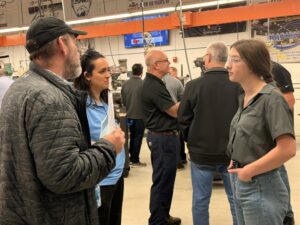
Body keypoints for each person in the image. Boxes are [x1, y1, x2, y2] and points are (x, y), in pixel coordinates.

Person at [0, 17, 125, 225]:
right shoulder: (49, 99)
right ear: (61, 44)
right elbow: (64, 174)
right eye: (75, 42)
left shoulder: (18, 89)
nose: (78, 50)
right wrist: (108, 148)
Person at [226, 39, 296, 225]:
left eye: (235, 60)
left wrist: (249, 170)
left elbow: (287, 149)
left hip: (260, 184)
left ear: (252, 64)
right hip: (242, 182)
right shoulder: (245, 98)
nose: (227, 65)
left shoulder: (272, 98)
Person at [178, 42, 239, 225]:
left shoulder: (192, 86)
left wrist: (192, 141)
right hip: (232, 154)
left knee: (200, 201)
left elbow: (183, 119)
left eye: (205, 56)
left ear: (209, 58)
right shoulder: (238, 85)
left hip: (201, 154)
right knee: (236, 200)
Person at [74, 49, 125, 225]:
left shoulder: (106, 103)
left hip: (116, 175)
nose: (108, 75)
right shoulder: (81, 108)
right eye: (102, 71)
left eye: (108, 70)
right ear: (87, 75)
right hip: (100, 180)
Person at [141, 50, 181, 225]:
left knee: (166, 180)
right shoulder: (153, 86)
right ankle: (157, 220)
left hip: (164, 138)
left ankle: (163, 215)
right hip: (163, 139)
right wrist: (191, 95)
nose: (169, 63)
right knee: (162, 181)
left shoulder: (157, 83)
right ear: (156, 64)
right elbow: (173, 111)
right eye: (166, 61)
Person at [271, 61, 296, 225]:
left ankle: (287, 214)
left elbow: (289, 100)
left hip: (275, 130)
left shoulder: (277, 69)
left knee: (278, 169)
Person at [121, 63, 146, 167]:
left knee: (131, 136)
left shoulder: (125, 84)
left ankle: (130, 157)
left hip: (129, 116)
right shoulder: (144, 84)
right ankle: (135, 159)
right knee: (138, 137)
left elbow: (123, 101)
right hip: (140, 116)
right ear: (141, 72)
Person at [162, 68, 186, 169]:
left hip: (162, 116)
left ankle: (168, 160)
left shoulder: (158, 83)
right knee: (178, 137)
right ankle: (181, 159)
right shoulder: (177, 82)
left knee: (164, 138)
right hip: (176, 114)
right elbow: (184, 99)